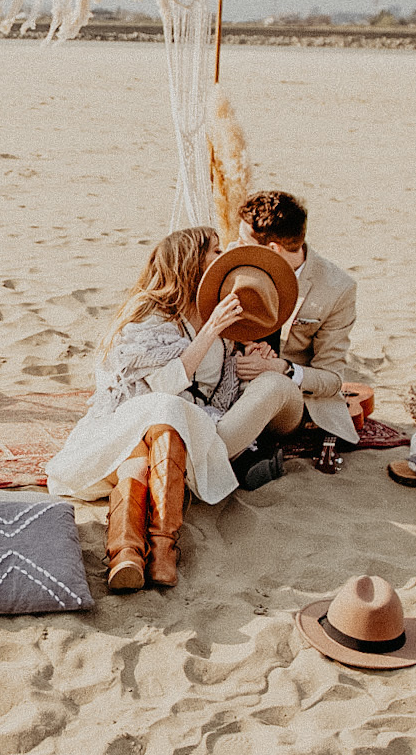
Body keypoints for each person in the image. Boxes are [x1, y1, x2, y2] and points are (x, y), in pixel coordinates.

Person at [45, 227, 306, 591]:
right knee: (148, 437)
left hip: (194, 435)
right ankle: (129, 556)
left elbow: (219, 397)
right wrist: (209, 332)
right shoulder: (148, 318)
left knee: (166, 425)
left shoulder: (220, 318)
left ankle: (161, 550)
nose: (221, 258)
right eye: (215, 251)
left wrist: (252, 362)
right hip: (133, 425)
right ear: (191, 261)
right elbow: (161, 388)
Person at [228, 189, 360, 450]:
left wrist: (283, 369)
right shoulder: (233, 261)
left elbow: (332, 379)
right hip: (230, 375)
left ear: (273, 249)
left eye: (243, 240)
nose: (234, 245)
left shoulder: (336, 289)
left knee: (271, 385)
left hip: (287, 396)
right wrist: (244, 347)